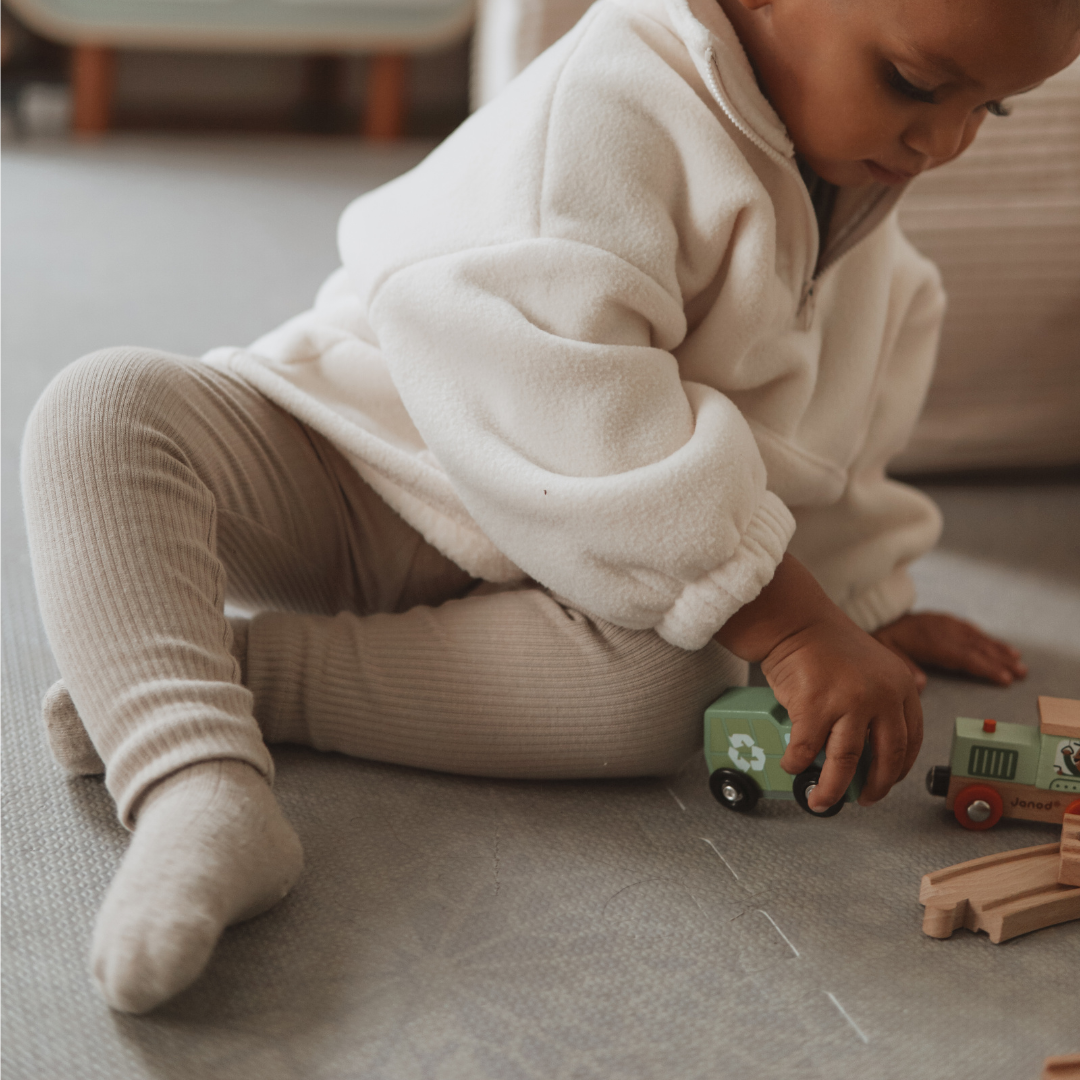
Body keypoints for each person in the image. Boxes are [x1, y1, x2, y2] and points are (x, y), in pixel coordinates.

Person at [21, 0, 1076, 1015]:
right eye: (916, 82)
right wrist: (793, 622)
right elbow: (566, 389)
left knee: (674, 693)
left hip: (574, 569)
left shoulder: (884, 265)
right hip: (366, 466)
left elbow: (826, 463)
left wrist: (856, 607)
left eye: (992, 108)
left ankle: (250, 679)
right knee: (105, 411)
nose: (943, 143)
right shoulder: (608, 107)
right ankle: (193, 775)